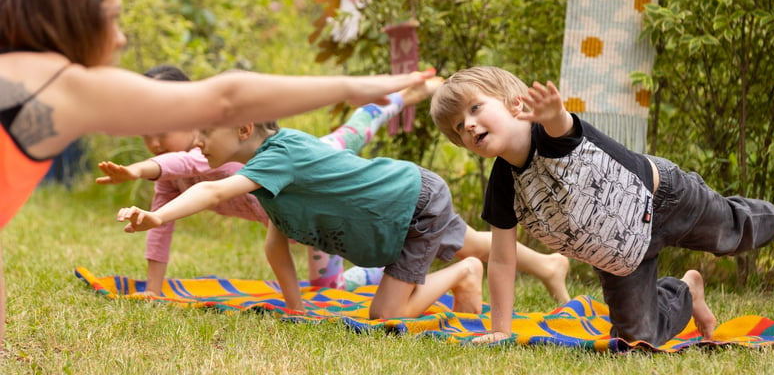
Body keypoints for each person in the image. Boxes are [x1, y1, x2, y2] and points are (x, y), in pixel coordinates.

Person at [0, 0, 434, 342]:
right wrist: (359, 86)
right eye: (113, 17)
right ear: (74, 20)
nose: (121, 39)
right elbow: (227, 97)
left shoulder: (30, 75)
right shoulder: (64, 87)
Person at [428, 66, 774, 345]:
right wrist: (501, 328)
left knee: (727, 232)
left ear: (515, 103)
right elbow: (501, 260)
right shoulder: (502, 185)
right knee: (638, 337)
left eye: (476, 109)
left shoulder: (549, 135)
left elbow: (563, 128)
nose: (469, 125)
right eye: (459, 127)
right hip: (618, 255)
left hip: (665, 199)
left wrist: (553, 113)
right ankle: (687, 289)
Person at [116, 117, 572, 319]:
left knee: (386, 312)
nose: (195, 142)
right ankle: (551, 265)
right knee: (469, 239)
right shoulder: (269, 177)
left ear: (243, 131)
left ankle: (463, 275)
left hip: (411, 204)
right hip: (397, 204)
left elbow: (211, 188)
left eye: (203, 133)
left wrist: (156, 219)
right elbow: (275, 246)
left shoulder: (281, 154)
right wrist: (295, 307)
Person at [96, 64, 439, 295]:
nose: (154, 144)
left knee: (353, 131)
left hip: (311, 174)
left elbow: (184, 163)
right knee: (328, 290)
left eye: (162, 132)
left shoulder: (208, 150)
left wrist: (140, 168)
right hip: (297, 222)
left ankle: (397, 97)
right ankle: (384, 272)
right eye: (146, 136)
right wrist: (154, 291)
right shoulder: (172, 173)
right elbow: (160, 227)